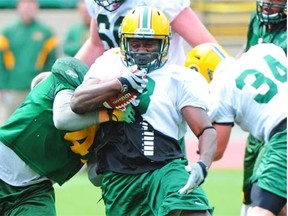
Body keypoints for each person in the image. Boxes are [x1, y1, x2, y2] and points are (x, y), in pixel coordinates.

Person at [71, 6, 216, 215]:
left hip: (165, 168)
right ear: (123, 42)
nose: (141, 51)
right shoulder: (110, 62)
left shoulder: (179, 78)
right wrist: (119, 84)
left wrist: (203, 164)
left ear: (164, 44)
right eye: (135, 43)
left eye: (149, 44)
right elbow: (78, 102)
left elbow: (205, 129)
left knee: (195, 210)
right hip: (119, 174)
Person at [0, 56, 136, 216]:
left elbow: (94, 177)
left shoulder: (119, 117)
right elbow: (62, 118)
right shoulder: (73, 76)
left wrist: (115, 161)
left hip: (34, 190)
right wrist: (108, 114)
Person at [185, 42, 287, 216]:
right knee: (279, 204)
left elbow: (218, 150)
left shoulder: (220, 88)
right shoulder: (264, 50)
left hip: (283, 131)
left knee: (260, 208)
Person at [236, 0, 287, 214]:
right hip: (259, 123)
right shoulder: (256, 21)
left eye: (276, 1)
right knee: (250, 192)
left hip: (280, 124)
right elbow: (246, 53)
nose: (268, 5)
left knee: (268, 193)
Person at [75, 0, 218, 67]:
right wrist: (65, 74)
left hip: (161, 89)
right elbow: (96, 44)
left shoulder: (161, 2)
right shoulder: (96, 3)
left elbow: (207, 47)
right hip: (116, 86)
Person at [0, 0, 58, 126]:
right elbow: (1, 61)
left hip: (36, 90)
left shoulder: (46, 32)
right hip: (13, 89)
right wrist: (2, 87)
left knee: (34, 126)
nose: (28, 7)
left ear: (37, 6)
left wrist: (48, 88)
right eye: (24, 3)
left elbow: (51, 63)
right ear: (18, 6)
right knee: (9, 125)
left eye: (31, 4)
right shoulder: (8, 32)